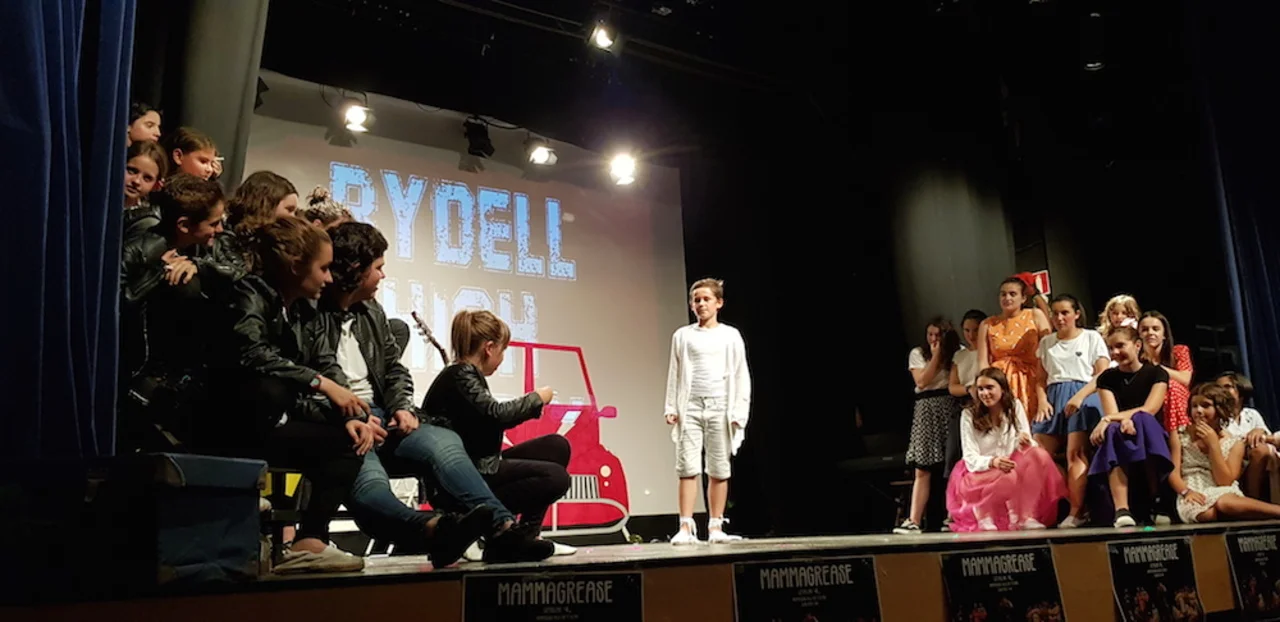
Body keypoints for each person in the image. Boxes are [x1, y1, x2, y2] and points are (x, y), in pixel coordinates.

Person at [203, 217, 483, 573]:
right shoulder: (251, 294)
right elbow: (254, 358)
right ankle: (428, 531)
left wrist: (351, 415)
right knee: (351, 454)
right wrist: (324, 387)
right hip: (237, 424)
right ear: (296, 267)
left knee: (352, 441)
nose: (329, 277)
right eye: (323, 268)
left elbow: (327, 368)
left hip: (287, 417)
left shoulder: (299, 310)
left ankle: (311, 542)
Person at [309, 223, 553, 562]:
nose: (382, 275)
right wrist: (357, 416)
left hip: (382, 416)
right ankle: (436, 529)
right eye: (377, 267)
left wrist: (401, 407)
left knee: (445, 442)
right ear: (355, 269)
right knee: (370, 485)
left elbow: (394, 368)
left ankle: (502, 529)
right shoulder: (312, 313)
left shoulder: (372, 311)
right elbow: (318, 374)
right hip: (342, 422)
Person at [422, 310, 570, 553]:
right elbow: (496, 414)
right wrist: (537, 398)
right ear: (489, 348)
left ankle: (526, 535)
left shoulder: (464, 375)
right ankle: (501, 536)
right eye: (503, 351)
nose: (502, 358)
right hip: (464, 478)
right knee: (556, 478)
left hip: (482, 465)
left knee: (556, 446)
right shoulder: (460, 375)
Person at [119, 174, 228, 451]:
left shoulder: (205, 248)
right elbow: (117, 302)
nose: (220, 229)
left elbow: (240, 271)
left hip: (186, 378)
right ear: (184, 225)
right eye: (213, 223)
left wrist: (200, 267)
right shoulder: (139, 250)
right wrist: (158, 273)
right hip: (141, 376)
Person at [662, 278, 752, 543]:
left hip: (720, 407)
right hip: (690, 406)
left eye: (706, 299)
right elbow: (675, 373)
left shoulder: (730, 335)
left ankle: (715, 527)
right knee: (687, 467)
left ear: (719, 303)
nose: (701, 304)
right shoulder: (683, 335)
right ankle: (685, 527)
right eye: (696, 300)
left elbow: (741, 374)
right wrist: (671, 406)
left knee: (719, 467)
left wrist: (739, 411)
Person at [946, 368, 1066, 532]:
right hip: (979, 471)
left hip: (1009, 464)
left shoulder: (1014, 406)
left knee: (1038, 454)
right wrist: (993, 462)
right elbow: (970, 456)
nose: (985, 393)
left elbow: (1026, 441)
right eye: (980, 389)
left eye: (989, 388)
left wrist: (1024, 441)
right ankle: (984, 511)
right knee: (1010, 476)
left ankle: (1026, 516)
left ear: (1002, 389)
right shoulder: (969, 414)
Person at [1034, 294, 1110, 528]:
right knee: (1037, 455)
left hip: (1083, 394)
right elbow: (1040, 378)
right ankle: (1071, 499)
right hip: (1053, 397)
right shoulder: (1046, 342)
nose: (1059, 318)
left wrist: (1080, 396)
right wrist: (1042, 401)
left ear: (1076, 314)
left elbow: (1102, 374)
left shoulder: (1091, 337)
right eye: (1055, 313)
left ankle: (1076, 511)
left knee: (1075, 454)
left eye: (1065, 312)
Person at [1089, 326, 1172, 527]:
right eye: (1111, 348)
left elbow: (1150, 408)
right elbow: (1112, 413)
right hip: (1120, 429)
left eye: (1120, 346)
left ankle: (1157, 500)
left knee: (1143, 420)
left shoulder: (1157, 373)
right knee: (1112, 430)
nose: (1115, 352)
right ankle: (1122, 509)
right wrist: (1117, 420)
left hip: (1149, 429)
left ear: (1137, 345)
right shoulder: (1107, 378)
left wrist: (1114, 419)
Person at [1169, 383, 1280, 523]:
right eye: (1194, 406)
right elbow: (1173, 473)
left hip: (1222, 490)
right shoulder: (1180, 434)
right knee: (1207, 515)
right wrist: (1186, 492)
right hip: (1192, 490)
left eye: (1205, 405)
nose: (1198, 411)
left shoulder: (1235, 443)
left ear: (1220, 409)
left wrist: (1213, 445)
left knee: (1224, 504)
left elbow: (1225, 482)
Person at [893, 317, 961, 535]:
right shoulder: (918, 353)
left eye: (938, 335)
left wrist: (945, 354)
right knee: (923, 467)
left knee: (953, 466)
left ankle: (953, 516)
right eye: (930, 334)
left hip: (950, 406)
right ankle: (913, 519)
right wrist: (937, 355)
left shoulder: (958, 353)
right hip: (926, 408)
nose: (933, 339)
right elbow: (922, 381)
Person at [977, 275, 1052, 424]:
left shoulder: (1035, 315)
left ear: (1023, 298)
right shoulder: (987, 324)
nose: (1007, 298)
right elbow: (982, 362)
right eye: (1003, 294)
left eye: (1012, 294)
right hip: (1000, 382)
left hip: (1032, 380)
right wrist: (986, 386)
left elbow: (1048, 350)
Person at [1217, 372, 1275, 500]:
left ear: (1241, 390)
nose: (1221, 391)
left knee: (1262, 450)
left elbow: (1270, 439)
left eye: (1227, 387)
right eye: (1218, 387)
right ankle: (1253, 499)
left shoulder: (1252, 414)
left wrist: (1260, 431)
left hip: (1255, 462)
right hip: (1229, 461)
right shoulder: (1216, 416)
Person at [1138, 311, 1194, 433]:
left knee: (1171, 386)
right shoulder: (1137, 360)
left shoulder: (1178, 352)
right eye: (1145, 330)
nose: (1150, 333)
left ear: (1164, 335)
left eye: (1155, 329)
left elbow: (1185, 379)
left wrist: (1155, 367)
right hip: (1149, 403)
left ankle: (1181, 433)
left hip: (1177, 401)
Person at [123, 140, 170, 240]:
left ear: (156, 185)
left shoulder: (147, 223)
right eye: (132, 171)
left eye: (147, 178)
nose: (136, 181)